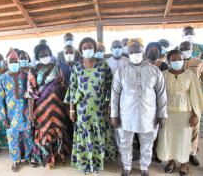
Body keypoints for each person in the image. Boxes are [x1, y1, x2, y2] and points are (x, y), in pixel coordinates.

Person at [111, 38, 167, 176]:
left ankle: (144, 167)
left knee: (147, 143)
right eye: (131, 51)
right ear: (128, 53)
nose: (135, 53)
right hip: (126, 115)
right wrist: (114, 114)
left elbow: (161, 94)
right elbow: (115, 94)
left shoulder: (155, 70)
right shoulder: (121, 71)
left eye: (137, 50)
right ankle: (127, 166)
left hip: (148, 115)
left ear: (143, 52)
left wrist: (162, 114)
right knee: (125, 142)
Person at [65, 37, 113, 174]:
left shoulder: (103, 66)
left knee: (97, 136)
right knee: (84, 136)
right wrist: (72, 109)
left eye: (90, 47)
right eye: (84, 48)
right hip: (82, 109)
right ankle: (85, 164)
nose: (87, 50)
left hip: (99, 109)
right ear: (80, 50)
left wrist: (109, 105)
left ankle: (97, 164)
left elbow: (109, 87)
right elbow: (72, 89)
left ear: (95, 49)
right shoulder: (77, 67)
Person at [156, 50, 203, 176]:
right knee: (168, 139)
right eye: (174, 59)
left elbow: (196, 95)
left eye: (179, 58)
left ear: (183, 60)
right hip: (167, 113)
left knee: (184, 140)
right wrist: (158, 114)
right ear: (169, 61)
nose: (177, 61)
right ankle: (171, 162)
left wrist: (195, 114)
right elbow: (158, 95)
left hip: (185, 113)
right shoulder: (163, 74)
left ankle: (184, 164)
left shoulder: (190, 75)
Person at [27, 43, 69, 169]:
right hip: (40, 108)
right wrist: (30, 113)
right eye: (41, 54)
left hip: (57, 106)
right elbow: (30, 92)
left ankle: (59, 155)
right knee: (43, 132)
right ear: (37, 56)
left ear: (50, 53)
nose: (44, 55)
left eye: (46, 53)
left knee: (58, 129)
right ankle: (46, 157)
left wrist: (67, 106)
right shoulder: (33, 70)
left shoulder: (57, 68)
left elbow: (64, 86)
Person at [0, 49, 36, 171]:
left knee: (28, 136)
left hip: (25, 112)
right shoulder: (2, 79)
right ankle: (15, 160)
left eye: (15, 61)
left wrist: (31, 112)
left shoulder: (26, 76)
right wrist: (3, 117)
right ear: (6, 62)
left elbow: (32, 93)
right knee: (12, 138)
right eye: (11, 61)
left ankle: (29, 157)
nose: (14, 63)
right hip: (11, 115)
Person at [179, 41, 203, 166]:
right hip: (179, 99)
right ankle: (179, 154)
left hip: (195, 99)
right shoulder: (175, 62)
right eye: (182, 48)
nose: (184, 50)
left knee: (194, 127)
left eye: (187, 48)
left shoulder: (199, 62)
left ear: (192, 49)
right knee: (181, 128)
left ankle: (191, 154)